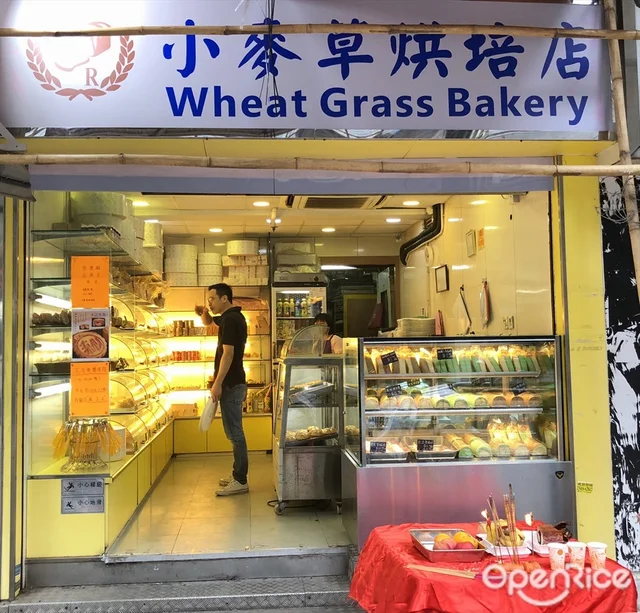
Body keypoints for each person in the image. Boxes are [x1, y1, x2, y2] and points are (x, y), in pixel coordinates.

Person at [195, 283, 249, 496]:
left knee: (235, 432)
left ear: (224, 298)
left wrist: (217, 383)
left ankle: (241, 479)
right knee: (232, 431)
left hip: (231, 383)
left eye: (212, 299)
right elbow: (209, 322)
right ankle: (237, 474)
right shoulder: (231, 317)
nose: (210, 302)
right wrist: (204, 312)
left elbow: (228, 354)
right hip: (232, 382)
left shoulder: (231, 320)